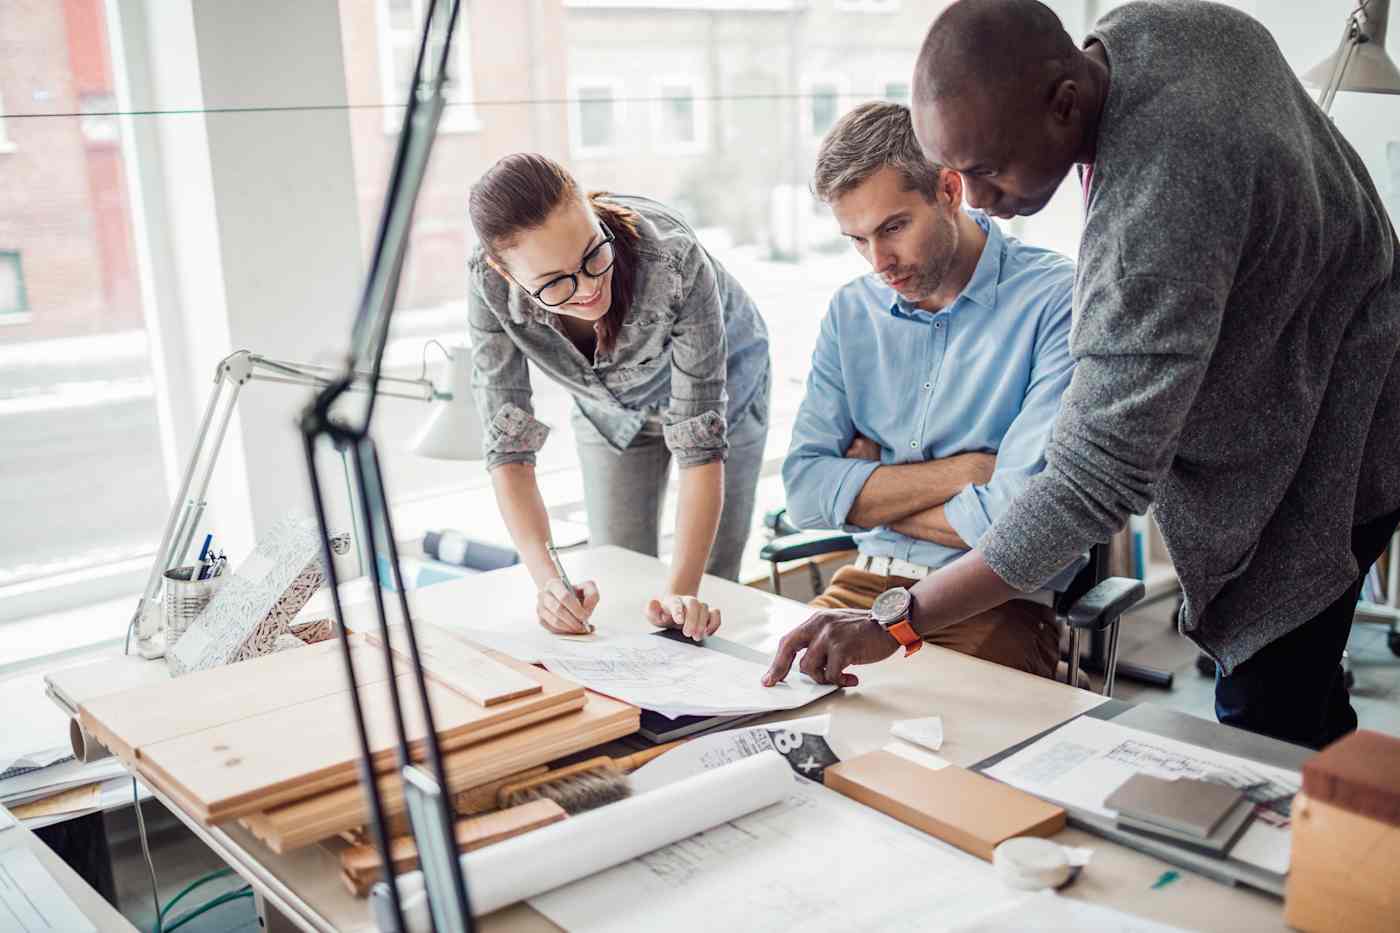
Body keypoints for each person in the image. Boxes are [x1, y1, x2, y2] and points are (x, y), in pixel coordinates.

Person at [764, 0, 1400, 751]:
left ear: (1064, 104)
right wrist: (962, 476)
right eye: (958, 172)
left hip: (1327, 446)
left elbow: (1086, 485)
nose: (973, 199)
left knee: (1263, 739)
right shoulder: (1152, 28)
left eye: (986, 169)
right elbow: (808, 486)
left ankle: (1336, 851)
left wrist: (894, 611)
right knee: (1315, 713)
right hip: (1352, 351)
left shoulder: (1145, 228)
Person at [783, 101, 1079, 680]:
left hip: (995, 601)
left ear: (948, 188)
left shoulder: (1057, 300)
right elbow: (804, 492)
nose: (879, 262)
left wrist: (868, 496)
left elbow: (1022, 523)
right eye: (857, 239)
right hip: (859, 587)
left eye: (893, 228)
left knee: (931, 764)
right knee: (769, 732)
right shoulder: (852, 311)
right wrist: (969, 472)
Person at [468, 153, 771, 642]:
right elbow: (509, 451)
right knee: (620, 575)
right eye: (554, 284)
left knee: (704, 594)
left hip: (724, 394)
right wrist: (550, 586)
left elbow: (699, 453)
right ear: (506, 276)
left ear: (590, 210)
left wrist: (682, 595)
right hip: (607, 408)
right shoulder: (488, 287)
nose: (588, 289)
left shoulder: (674, 260)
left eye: (593, 255)